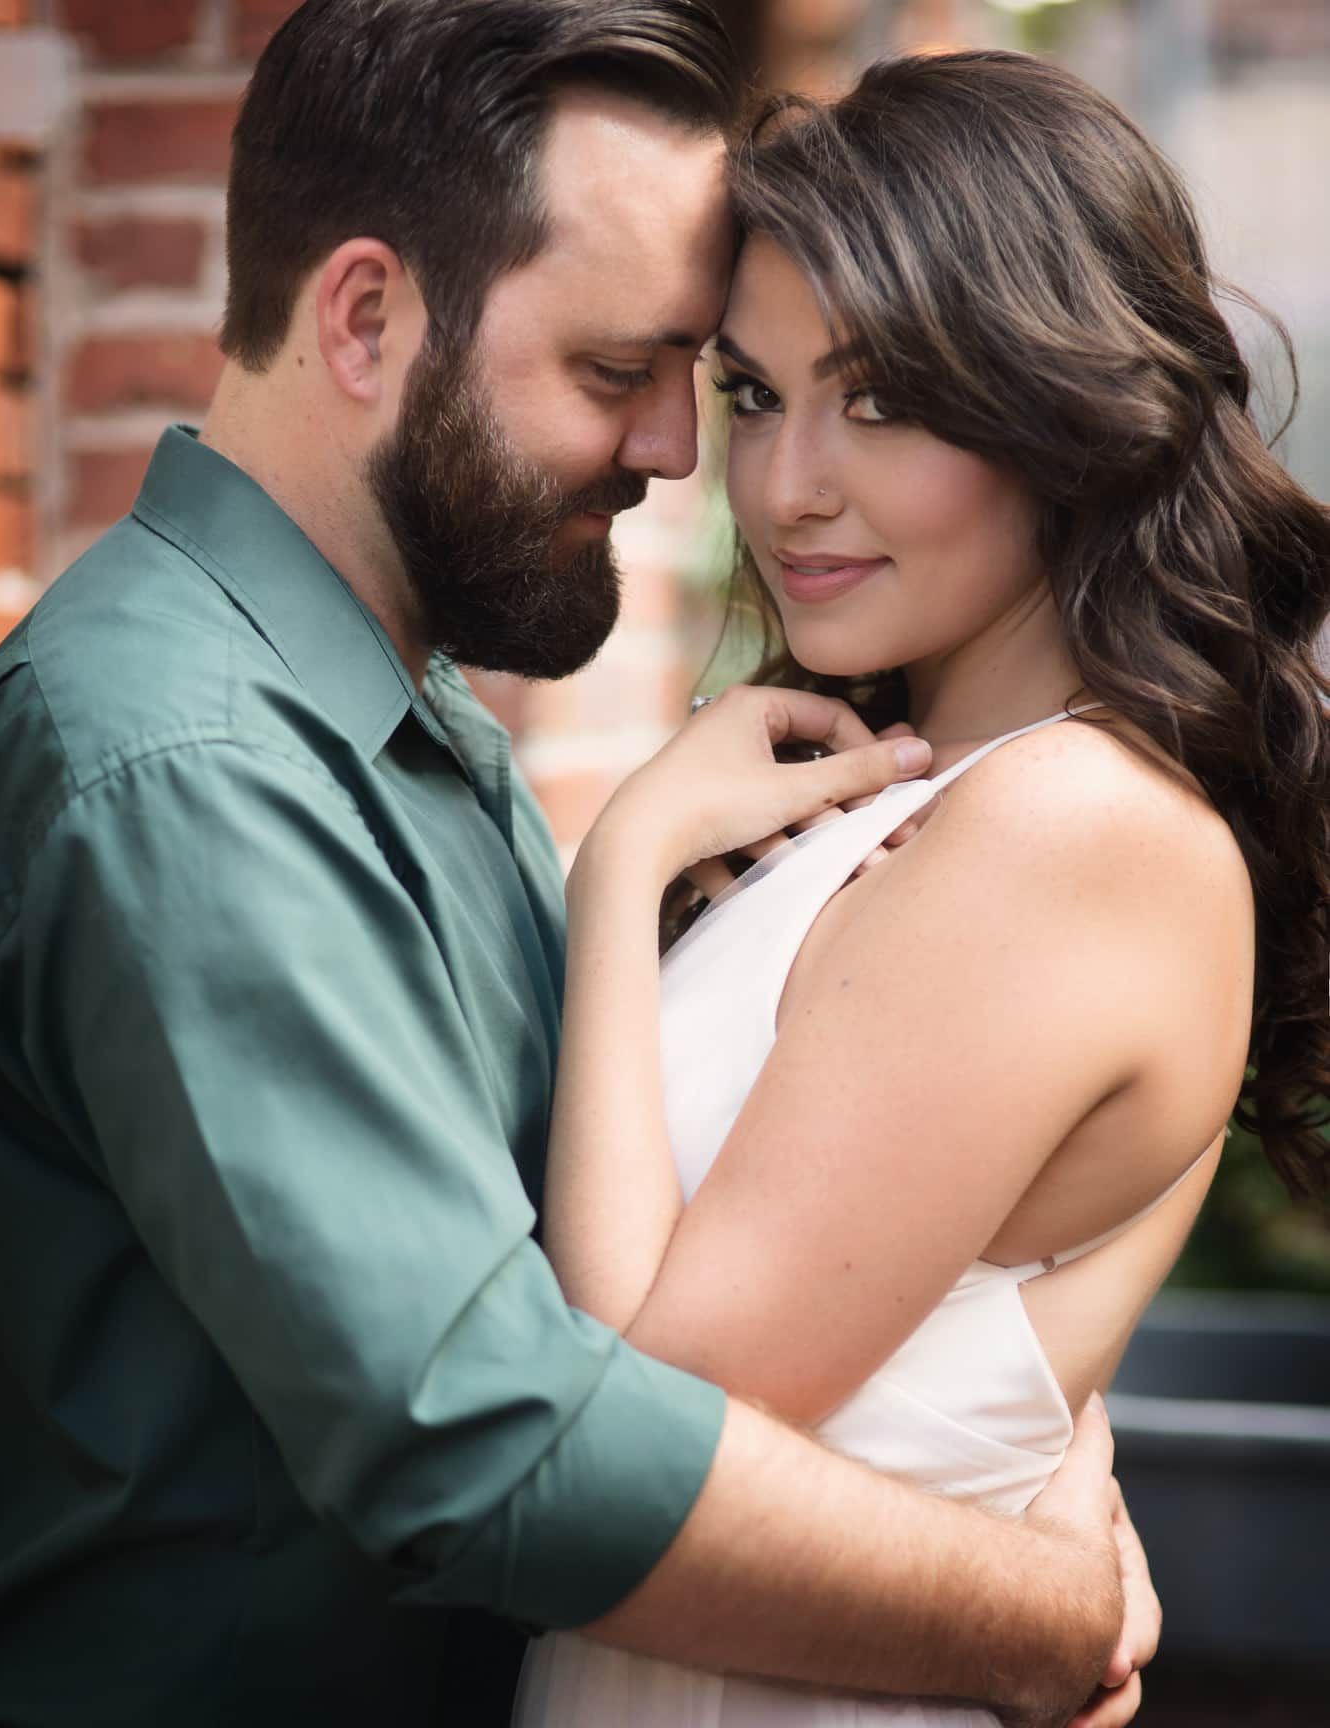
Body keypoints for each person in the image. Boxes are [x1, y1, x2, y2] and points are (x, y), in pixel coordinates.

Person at [0, 9, 1155, 1727]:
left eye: (695, 376)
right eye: (618, 372)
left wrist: (1023, 1444)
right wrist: (1029, 1613)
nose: (682, 452)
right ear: (366, 318)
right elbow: (485, 1442)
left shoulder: (400, 716)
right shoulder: (182, 766)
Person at [513, 47, 1330, 1728]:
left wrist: (616, 886)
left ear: (1060, 407)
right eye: (755, 393)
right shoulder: (914, 803)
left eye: (880, 398)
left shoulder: (1068, 829)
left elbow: (628, 1423)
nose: (786, 483)